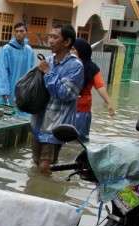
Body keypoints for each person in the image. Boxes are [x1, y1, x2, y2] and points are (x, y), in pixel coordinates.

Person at [32, 24, 84, 175]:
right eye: (49, 36)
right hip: (38, 122)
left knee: (45, 166)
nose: (50, 40)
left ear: (67, 42)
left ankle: (47, 195)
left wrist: (48, 73)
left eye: (55, 37)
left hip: (55, 125)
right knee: (36, 164)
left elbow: (65, 93)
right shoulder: (47, 60)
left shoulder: (76, 66)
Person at [72, 38, 115, 142]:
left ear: (81, 51)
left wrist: (109, 103)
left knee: (80, 140)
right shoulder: (68, 64)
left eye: (73, 49)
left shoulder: (92, 68)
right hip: (66, 107)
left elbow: (100, 86)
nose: (70, 51)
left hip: (82, 109)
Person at [0, 22, 34, 107]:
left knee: (22, 117)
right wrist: (4, 91)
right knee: (6, 115)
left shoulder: (29, 51)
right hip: (9, 90)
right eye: (16, 31)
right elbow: (2, 71)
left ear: (26, 32)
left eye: (21, 31)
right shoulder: (7, 49)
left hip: (23, 90)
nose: (19, 33)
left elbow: (31, 71)